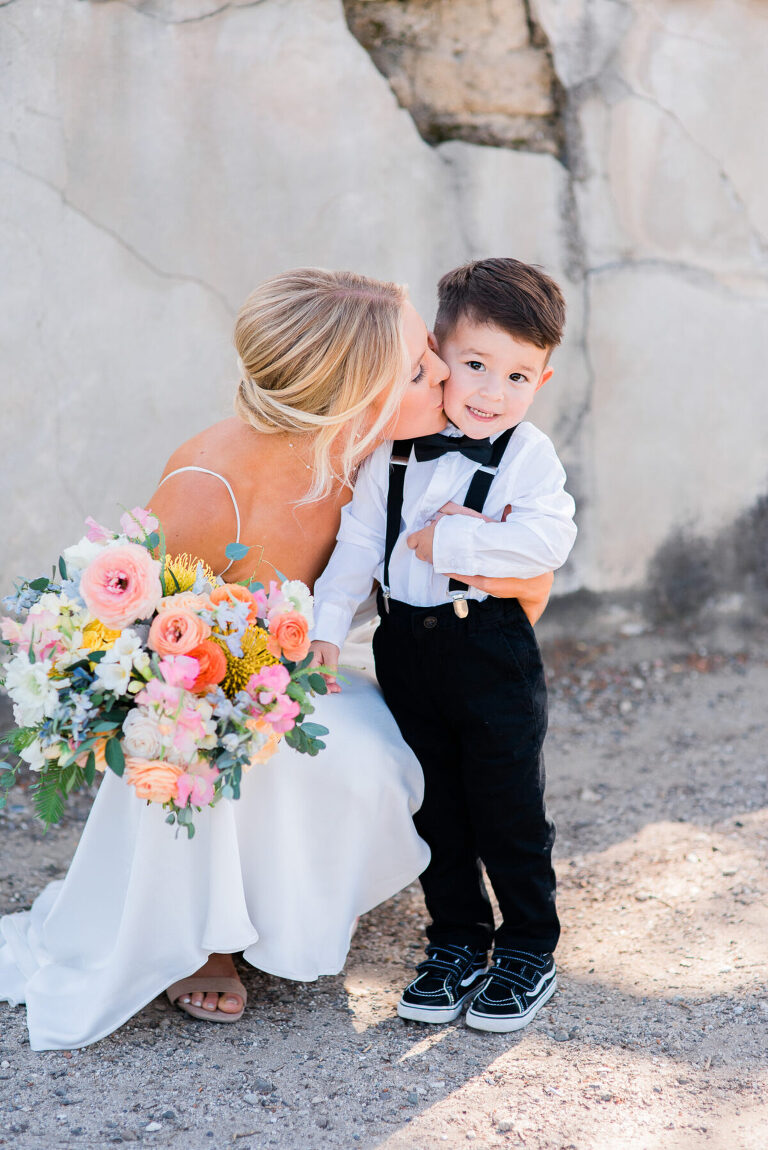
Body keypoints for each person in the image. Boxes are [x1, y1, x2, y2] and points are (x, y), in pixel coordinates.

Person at [0, 267, 552, 1050]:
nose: (445, 380)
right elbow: (141, 653)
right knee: (234, 762)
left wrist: (487, 558)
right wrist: (207, 710)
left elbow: (532, 571)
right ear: (360, 395)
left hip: (302, 669)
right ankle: (206, 937)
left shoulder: (386, 459)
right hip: (194, 692)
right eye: (422, 370)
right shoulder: (209, 487)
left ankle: (297, 902)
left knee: (386, 761)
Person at [309, 258, 576, 1033]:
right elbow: (355, 551)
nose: (494, 392)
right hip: (405, 649)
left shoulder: (528, 455)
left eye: (518, 376)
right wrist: (325, 634)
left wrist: (455, 541)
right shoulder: (392, 450)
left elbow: (548, 538)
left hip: (489, 650)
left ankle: (529, 947)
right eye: (476, 365)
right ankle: (458, 939)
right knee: (436, 809)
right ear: (436, 354)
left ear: (543, 381)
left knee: (508, 805)